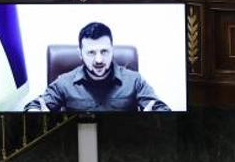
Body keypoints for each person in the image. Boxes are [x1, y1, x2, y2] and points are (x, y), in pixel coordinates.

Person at [24, 22, 169, 112]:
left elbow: (160, 108)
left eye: (104, 51)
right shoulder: (64, 82)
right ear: (80, 54)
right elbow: (34, 106)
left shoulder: (135, 80)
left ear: (112, 50)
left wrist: (156, 117)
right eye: (91, 53)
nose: (99, 60)